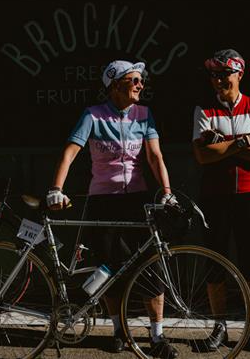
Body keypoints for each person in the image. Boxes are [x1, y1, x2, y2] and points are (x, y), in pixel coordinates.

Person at [46, 60, 178, 358]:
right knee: (109, 267)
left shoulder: (145, 115)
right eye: (133, 81)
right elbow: (70, 153)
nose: (140, 85)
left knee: (151, 265)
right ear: (115, 85)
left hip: (137, 200)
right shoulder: (93, 115)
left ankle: (157, 337)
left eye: (140, 80)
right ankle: (119, 329)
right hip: (103, 200)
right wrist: (56, 189)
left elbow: (155, 157)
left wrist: (167, 193)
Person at [192, 49, 250, 354]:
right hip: (214, 196)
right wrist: (244, 142)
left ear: (239, 74)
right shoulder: (204, 110)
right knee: (215, 263)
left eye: (224, 74)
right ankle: (219, 326)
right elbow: (203, 155)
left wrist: (224, 143)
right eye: (214, 75)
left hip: (249, 195)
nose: (218, 80)